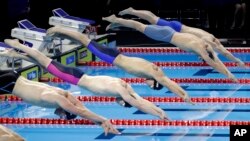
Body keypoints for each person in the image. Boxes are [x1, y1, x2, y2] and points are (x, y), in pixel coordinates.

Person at [0, 40, 168, 121]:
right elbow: (137, 103)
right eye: (123, 104)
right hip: (74, 78)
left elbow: (140, 100)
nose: (121, 104)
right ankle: (18, 46)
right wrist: (158, 115)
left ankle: (14, 53)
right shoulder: (122, 92)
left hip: (78, 75)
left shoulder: (124, 87)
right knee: (44, 61)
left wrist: (159, 110)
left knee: (43, 63)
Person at [46, 26, 194, 104]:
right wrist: (183, 94)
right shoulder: (156, 74)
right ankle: (59, 29)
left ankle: (61, 34)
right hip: (112, 57)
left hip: (113, 57)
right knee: (86, 41)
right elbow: (169, 83)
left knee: (85, 43)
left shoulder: (150, 73)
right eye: (150, 85)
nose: (147, 84)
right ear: (155, 82)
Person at [101, 14, 239, 83]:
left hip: (170, 31)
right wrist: (228, 75)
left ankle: (116, 23)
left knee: (141, 24)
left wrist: (229, 68)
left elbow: (215, 58)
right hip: (165, 36)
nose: (201, 58)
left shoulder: (204, 43)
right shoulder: (201, 50)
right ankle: (116, 20)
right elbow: (214, 63)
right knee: (139, 26)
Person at [114, 7, 246, 68]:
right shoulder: (211, 44)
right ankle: (130, 12)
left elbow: (222, 53)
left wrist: (235, 60)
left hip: (179, 27)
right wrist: (237, 61)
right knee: (150, 21)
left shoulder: (210, 40)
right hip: (176, 30)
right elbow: (223, 54)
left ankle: (132, 11)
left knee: (153, 18)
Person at [0, 69, 119, 136]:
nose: (59, 116)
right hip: (10, 84)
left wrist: (97, 122)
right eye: (63, 116)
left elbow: (81, 108)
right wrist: (103, 119)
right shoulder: (58, 100)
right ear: (65, 111)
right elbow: (80, 111)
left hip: (14, 76)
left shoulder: (63, 93)